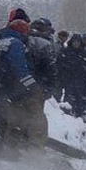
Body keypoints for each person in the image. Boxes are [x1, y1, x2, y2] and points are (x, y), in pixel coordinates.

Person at [0, 19, 46, 157]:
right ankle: (13, 152)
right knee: (20, 120)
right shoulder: (15, 43)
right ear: (22, 31)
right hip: (13, 89)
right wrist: (34, 87)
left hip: (0, 87)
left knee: (2, 120)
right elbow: (20, 70)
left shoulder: (1, 42)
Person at [0, 8, 30, 152]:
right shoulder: (15, 41)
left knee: (3, 118)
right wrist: (32, 85)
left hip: (2, 84)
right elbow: (20, 66)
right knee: (13, 118)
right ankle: (9, 150)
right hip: (12, 86)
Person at [24, 18, 56, 148]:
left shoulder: (26, 40)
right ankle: (35, 149)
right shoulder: (43, 44)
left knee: (23, 115)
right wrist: (48, 87)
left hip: (26, 84)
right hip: (37, 86)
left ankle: (22, 144)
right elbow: (49, 68)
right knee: (37, 120)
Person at [58, 34, 86, 117]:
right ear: (71, 42)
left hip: (81, 79)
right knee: (69, 96)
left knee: (80, 97)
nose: (76, 44)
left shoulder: (84, 52)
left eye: (78, 42)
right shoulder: (66, 52)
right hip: (69, 79)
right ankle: (68, 114)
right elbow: (60, 65)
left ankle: (79, 112)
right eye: (75, 42)